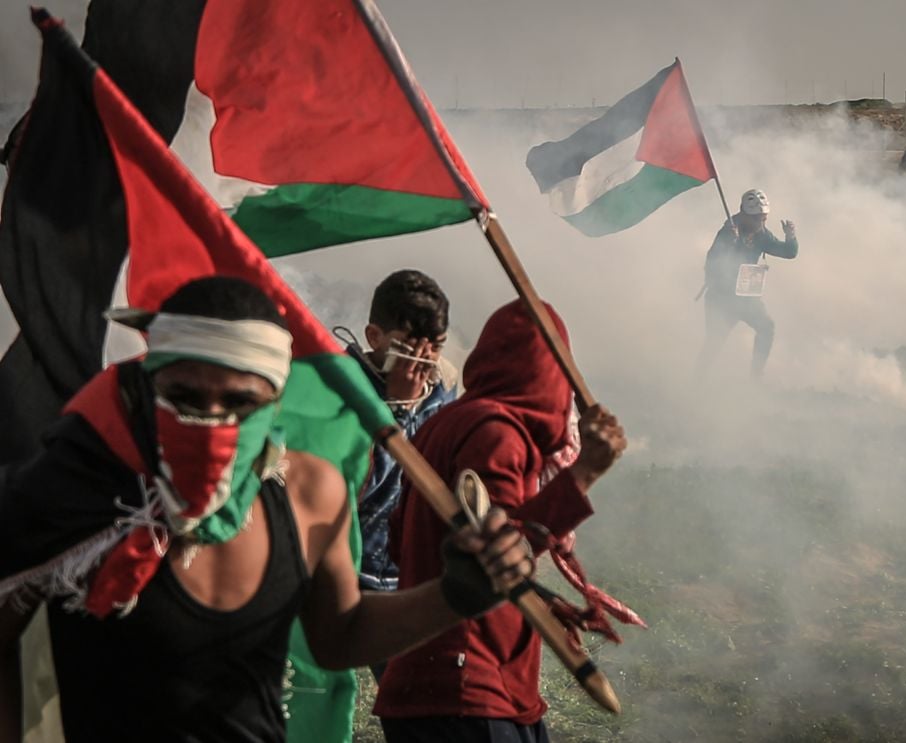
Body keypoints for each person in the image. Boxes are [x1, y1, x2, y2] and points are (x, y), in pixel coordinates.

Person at [0, 276, 533, 743]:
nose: (211, 423)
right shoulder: (86, 492)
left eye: (239, 404)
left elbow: (338, 634)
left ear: (275, 399)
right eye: (185, 398)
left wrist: (454, 596)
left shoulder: (309, 493)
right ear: (149, 386)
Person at [374, 300, 628, 743]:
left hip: (440, 683)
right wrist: (583, 472)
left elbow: (405, 544)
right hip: (467, 685)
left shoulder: (448, 421)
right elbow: (500, 549)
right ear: (548, 372)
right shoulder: (497, 431)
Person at [341, 271, 458, 633]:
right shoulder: (343, 387)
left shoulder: (442, 387)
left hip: (408, 575)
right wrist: (398, 409)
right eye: (408, 348)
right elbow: (356, 486)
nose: (424, 361)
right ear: (374, 337)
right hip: (341, 569)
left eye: (434, 347)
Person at [698, 188, 798, 377]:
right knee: (714, 342)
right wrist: (728, 243)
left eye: (763, 217)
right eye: (756, 218)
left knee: (766, 328)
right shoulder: (728, 231)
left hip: (745, 296)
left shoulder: (762, 234)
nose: (760, 222)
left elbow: (788, 252)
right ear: (743, 214)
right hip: (722, 298)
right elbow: (712, 262)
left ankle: (755, 376)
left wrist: (790, 236)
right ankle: (697, 380)